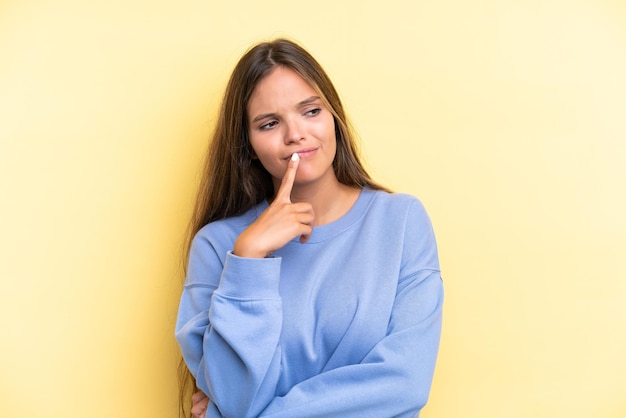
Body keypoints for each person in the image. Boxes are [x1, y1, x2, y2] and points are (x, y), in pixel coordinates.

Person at [175, 38, 444, 418]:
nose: (295, 134)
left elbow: (405, 381)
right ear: (248, 144)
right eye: (269, 123)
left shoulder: (400, 222)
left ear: (333, 115)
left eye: (311, 111)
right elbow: (236, 396)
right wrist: (248, 260)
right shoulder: (219, 247)